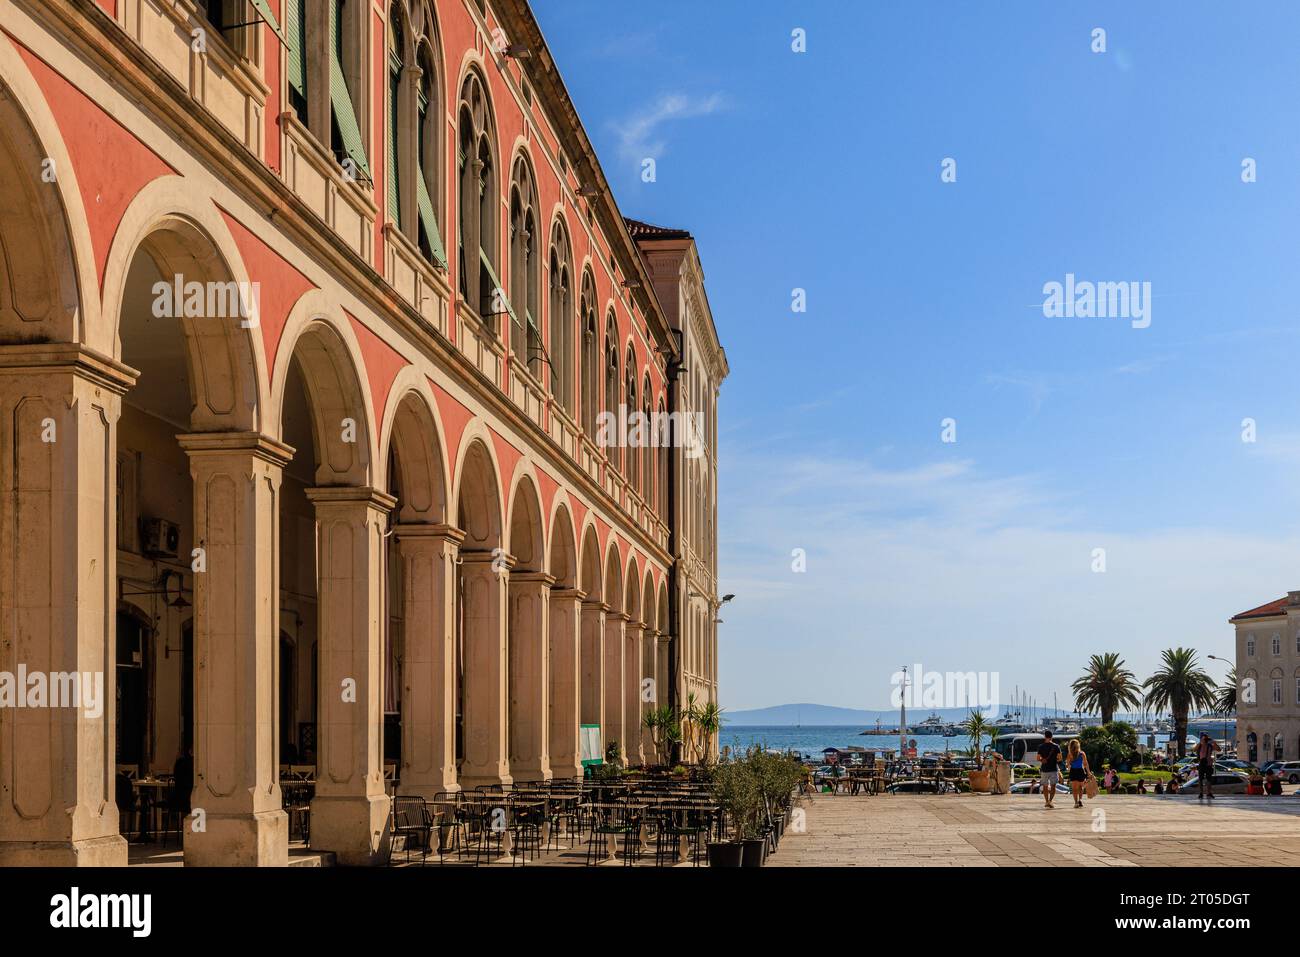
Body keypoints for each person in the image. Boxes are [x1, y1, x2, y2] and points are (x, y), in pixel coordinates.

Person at [1037, 730, 1062, 809]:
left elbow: (1038, 758)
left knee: (1045, 786)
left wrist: (1042, 760)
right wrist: (1055, 760)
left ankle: (1046, 801)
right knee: (1053, 786)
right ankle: (1050, 801)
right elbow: (1060, 758)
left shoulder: (1041, 746)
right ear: (1052, 737)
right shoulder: (1056, 746)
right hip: (1053, 769)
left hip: (1044, 769)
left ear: (1045, 736)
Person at [1066, 739, 1091, 808]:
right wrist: (1088, 772)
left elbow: (1068, 765)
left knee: (1074, 788)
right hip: (1080, 771)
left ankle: (1076, 802)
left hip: (1073, 771)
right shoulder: (1082, 753)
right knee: (1080, 787)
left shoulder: (1070, 755)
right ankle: (1079, 800)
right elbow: (1086, 764)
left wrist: (1069, 767)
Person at [1194, 733, 1218, 800]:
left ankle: (1209, 793)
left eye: (1206, 738)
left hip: (1208, 764)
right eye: (1204, 738)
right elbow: (1194, 749)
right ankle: (1201, 793)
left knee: (1209, 779)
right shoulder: (1200, 746)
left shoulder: (1210, 745)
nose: (1205, 740)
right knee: (1200, 779)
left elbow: (1218, 749)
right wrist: (1200, 742)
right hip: (1201, 763)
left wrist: (1214, 743)